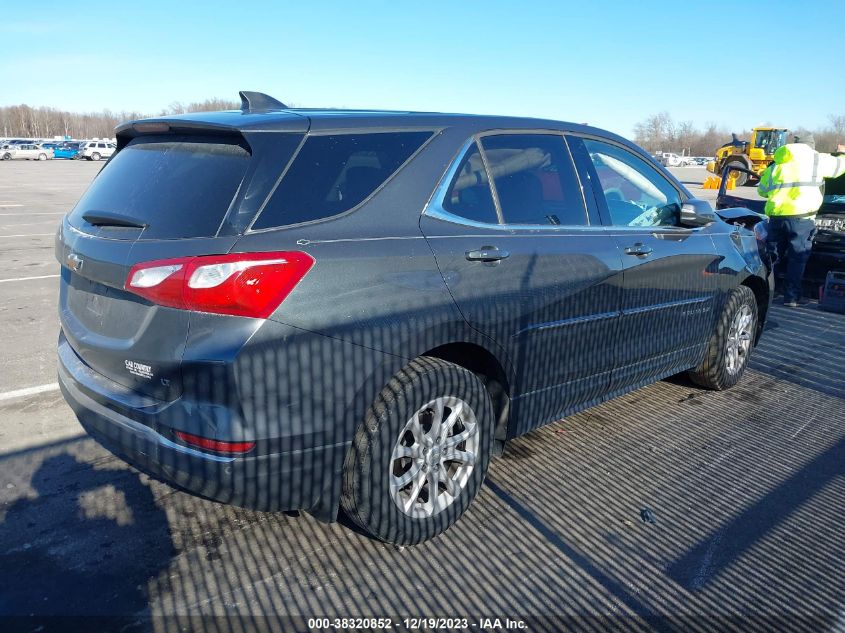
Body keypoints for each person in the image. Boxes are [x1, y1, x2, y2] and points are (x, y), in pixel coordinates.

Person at [758, 134, 845, 306]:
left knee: (773, 257)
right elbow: (840, 167)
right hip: (802, 218)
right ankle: (792, 297)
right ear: (811, 145)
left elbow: (762, 191)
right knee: (797, 257)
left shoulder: (777, 164)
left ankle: (769, 293)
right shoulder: (817, 160)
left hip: (776, 217)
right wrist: (842, 153)